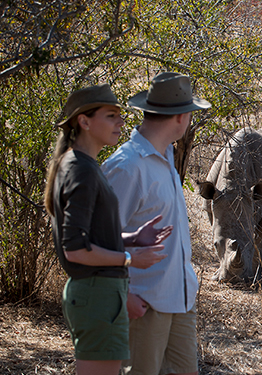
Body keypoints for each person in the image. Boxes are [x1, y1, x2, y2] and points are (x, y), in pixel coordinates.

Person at [45, 84, 170, 375]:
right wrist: (129, 259)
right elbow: (75, 249)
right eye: (111, 115)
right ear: (84, 122)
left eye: (120, 115)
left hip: (98, 294)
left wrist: (129, 239)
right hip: (97, 295)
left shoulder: (79, 165)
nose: (121, 122)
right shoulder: (82, 170)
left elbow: (88, 238)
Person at [101, 72, 210, 375]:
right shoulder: (128, 166)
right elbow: (99, 238)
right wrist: (123, 296)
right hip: (143, 303)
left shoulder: (164, 154)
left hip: (179, 297)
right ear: (181, 117)